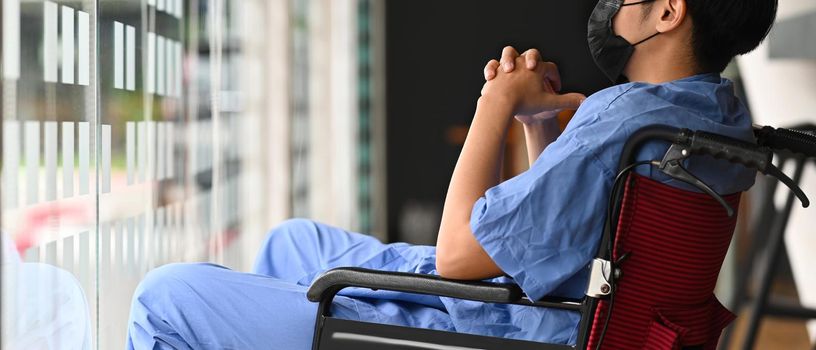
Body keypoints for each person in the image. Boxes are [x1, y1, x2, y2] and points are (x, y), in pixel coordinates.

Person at [126, 0, 778, 348]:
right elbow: (577, 230)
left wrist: (494, 104)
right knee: (289, 242)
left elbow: (461, 255)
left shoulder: (623, 122)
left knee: (163, 298)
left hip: (492, 331)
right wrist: (539, 126)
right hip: (570, 318)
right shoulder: (713, 115)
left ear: (668, 12)